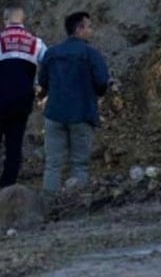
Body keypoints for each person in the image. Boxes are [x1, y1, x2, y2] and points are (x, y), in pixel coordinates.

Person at [0, 5, 46, 190]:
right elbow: (50, 64)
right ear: (23, 20)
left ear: (5, 19)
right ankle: (8, 188)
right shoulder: (36, 42)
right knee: (14, 147)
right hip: (22, 102)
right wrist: (42, 88)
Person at [40, 11, 110, 192]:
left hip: (54, 114)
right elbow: (102, 81)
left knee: (53, 164)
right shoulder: (90, 53)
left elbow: (43, 81)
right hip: (82, 113)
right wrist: (97, 93)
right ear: (79, 29)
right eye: (89, 27)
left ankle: (49, 201)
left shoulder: (51, 53)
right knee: (79, 164)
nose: (91, 31)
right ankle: (77, 202)